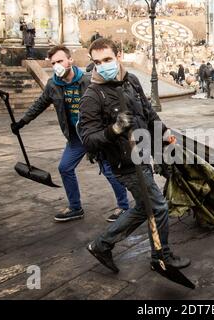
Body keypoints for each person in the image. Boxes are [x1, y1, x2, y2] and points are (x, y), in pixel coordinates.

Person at [79, 38, 190, 273]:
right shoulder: (93, 95)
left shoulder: (132, 80)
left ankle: (102, 245)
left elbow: (148, 113)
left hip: (143, 156)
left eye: (107, 59)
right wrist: (114, 130)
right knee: (158, 207)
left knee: (144, 207)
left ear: (118, 55)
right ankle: (162, 257)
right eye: (97, 62)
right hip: (124, 164)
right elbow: (88, 139)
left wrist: (164, 132)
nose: (103, 65)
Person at [10, 45, 129, 222]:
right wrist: (22, 122)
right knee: (64, 168)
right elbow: (39, 104)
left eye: (60, 61)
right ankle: (75, 207)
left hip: (95, 134)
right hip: (75, 137)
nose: (57, 65)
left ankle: (124, 207)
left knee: (108, 170)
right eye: (54, 62)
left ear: (70, 60)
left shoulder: (89, 80)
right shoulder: (53, 85)